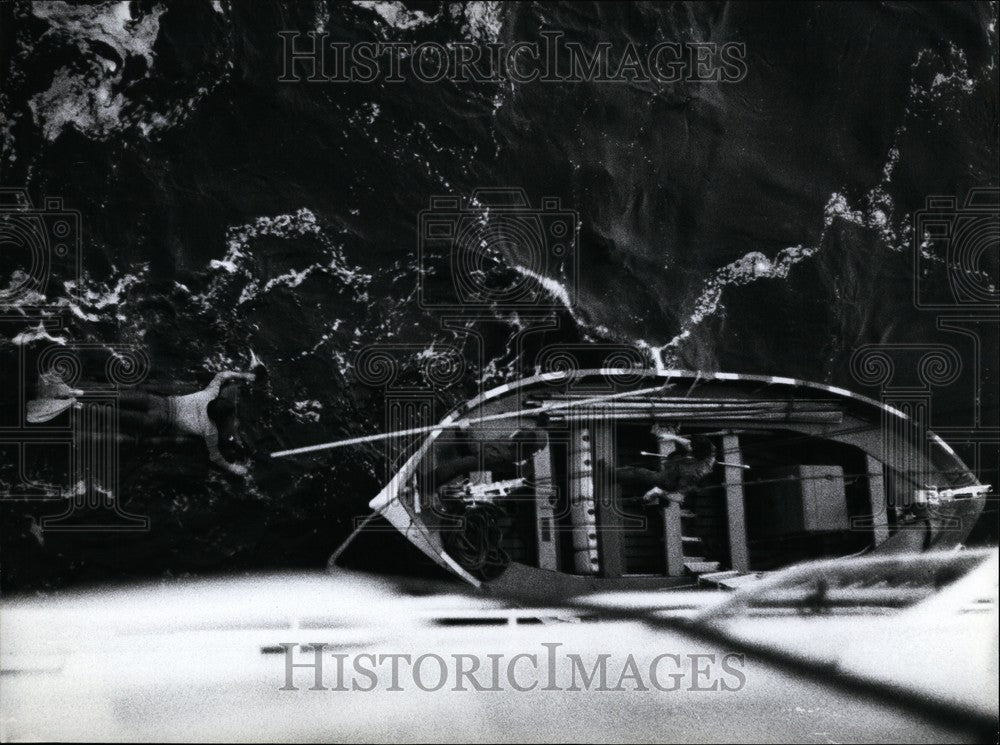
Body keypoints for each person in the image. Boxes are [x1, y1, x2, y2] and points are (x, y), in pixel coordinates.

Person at [615, 428, 717, 508]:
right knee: (650, 468)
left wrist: (659, 492)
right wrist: (673, 437)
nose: (688, 444)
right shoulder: (710, 448)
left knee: (640, 473)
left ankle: (610, 473)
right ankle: (648, 495)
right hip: (676, 466)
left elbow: (679, 497)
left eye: (691, 446)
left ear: (696, 453)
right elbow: (688, 443)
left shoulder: (694, 474)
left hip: (671, 481)